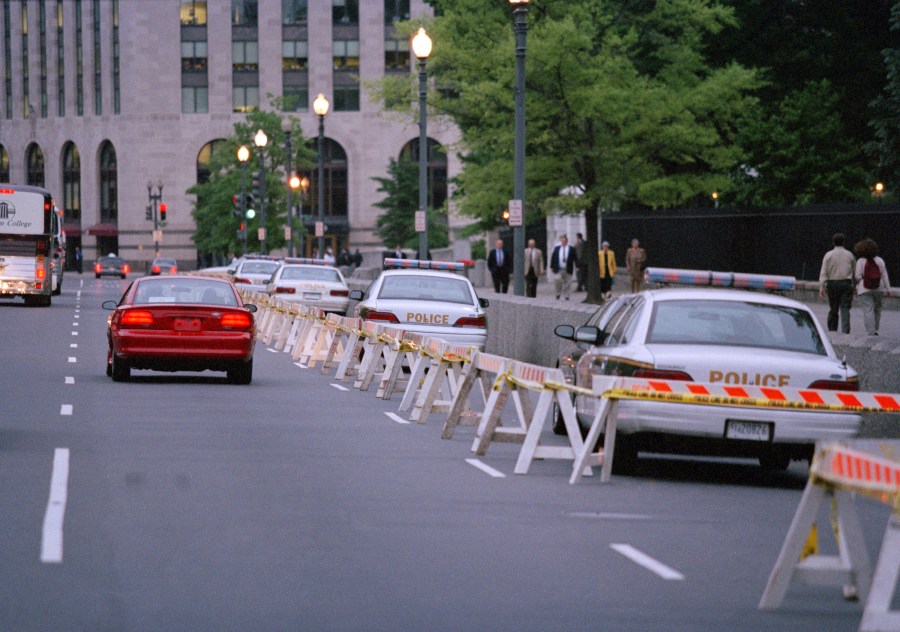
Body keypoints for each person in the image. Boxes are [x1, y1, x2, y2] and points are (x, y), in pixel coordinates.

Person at [818, 232, 856, 333]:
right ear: (843, 242)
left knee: (833, 308)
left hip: (832, 284)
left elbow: (823, 272)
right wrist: (854, 286)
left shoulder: (828, 255)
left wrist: (822, 287)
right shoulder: (850, 255)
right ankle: (845, 330)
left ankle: (832, 330)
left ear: (833, 242)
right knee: (845, 308)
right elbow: (854, 271)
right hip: (846, 284)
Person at [853, 237, 892, 336]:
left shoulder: (860, 261)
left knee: (868, 309)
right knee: (877, 308)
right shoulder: (879, 260)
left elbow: (857, 276)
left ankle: (870, 332)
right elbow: (884, 276)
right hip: (879, 288)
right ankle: (876, 329)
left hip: (864, 288)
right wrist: (888, 289)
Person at [550, 234, 576, 300]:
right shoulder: (557, 248)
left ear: (567, 241)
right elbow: (553, 257)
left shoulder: (571, 249)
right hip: (558, 268)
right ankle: (558, 294)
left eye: (564, 241)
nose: (563, 242)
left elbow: (575, 258)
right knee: (557, 280)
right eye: (562, 241)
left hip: (568, 268)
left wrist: (577, 266)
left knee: (567, 282)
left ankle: (566, 295)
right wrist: (551, 266)